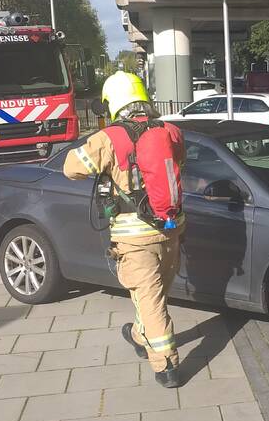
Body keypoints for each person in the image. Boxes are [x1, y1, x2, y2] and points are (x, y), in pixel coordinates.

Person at [63, 72, 186, 388]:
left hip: (133, 235)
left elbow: (70, 168)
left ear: (112, 102)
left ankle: (166, 366)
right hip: (171, 226)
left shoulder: (109, 138)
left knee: (150, 299)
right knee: (155, 296)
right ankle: (138, 334)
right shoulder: (169, 130)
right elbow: (179, 165)